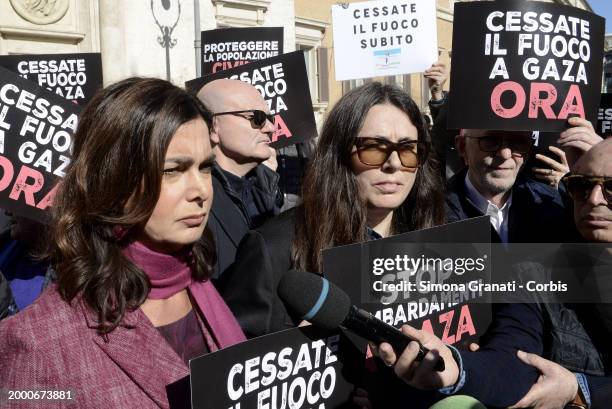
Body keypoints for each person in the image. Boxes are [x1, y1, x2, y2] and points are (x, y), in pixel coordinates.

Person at [0, 78, 245, 409]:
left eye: (204, 168)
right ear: (114, 179)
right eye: (174, 170)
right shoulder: (36, 343)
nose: (201, 190)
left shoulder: (200, 286)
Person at [374, 139, 612, 409]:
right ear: (462, 148)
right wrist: (455, 366)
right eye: (581, 185)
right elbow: (511, 358)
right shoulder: (534, 276)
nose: (594, 199)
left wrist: (583, 390)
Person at [218, 82, 446, 339]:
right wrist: (295, 348)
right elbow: (237, 367)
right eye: (373, 147)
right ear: (338, 154)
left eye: (407, 149)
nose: (393, 164)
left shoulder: (439, 236)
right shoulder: (271, 249)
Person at [196, 79, 282, 280]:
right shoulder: (197, 203)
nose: (270, 128)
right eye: (257, 118)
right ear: (213, 126)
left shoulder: (265, 190)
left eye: (270, 118)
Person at [446, 126, 581, 243]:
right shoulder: (432, 212)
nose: (505, 154)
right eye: (490, 140)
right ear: (462, 147)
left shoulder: (556, 207)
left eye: (519, 142)